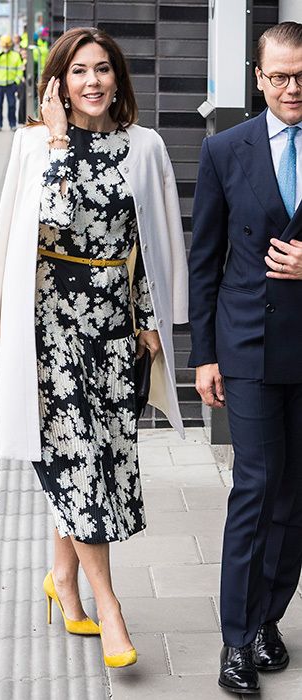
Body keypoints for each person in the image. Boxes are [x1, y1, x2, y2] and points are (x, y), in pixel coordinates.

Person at [0, 27, 188, 668]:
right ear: (57, 83)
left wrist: (150, 318)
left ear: (118, 78)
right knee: (78, 464)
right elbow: (44, 222)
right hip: (52, 330)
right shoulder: (35, 146)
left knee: (101, 462)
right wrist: (62, 145)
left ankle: (62, 580)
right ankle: (110, 605)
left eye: (103, 70)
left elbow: (148, 241)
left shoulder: (143, 145)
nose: (92, 82)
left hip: (115, 329)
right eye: (78, 72)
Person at [189, 21, 302, 696]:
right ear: (258, 78)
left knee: (296, 498)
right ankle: (236, 641)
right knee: (257, 491)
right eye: (282, 75)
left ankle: (267, 619)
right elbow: (205, 261)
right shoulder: (225, 149)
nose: (294, 87)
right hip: (250, 346)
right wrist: (203, 355)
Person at [0, 35, 23, 132]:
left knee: (12, 105)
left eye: (8, 45)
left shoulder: (15, 55)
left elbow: (20, 69)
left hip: (11, 85)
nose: (6, 47)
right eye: (5, 45)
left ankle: (12, 123)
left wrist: (16, 81)